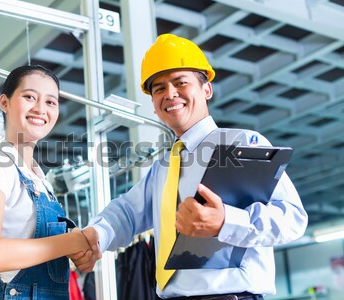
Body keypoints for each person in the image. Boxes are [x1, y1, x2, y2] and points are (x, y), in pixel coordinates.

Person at [71, 34, 308, 299]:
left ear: (206, 89)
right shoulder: (163, 167)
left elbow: (292, 219)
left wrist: (226, 221)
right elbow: (128, 212)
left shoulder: (241, 143)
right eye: (159, 88)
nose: (170, 93)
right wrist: (95, 236)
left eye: (180, 82)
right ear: (154, 104)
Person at [0, 65, 89, 299]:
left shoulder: (42, 181)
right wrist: (69, 243)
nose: (40, 108)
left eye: (51, 102)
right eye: (30, 97)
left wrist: (80, 250)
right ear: (5, 103)